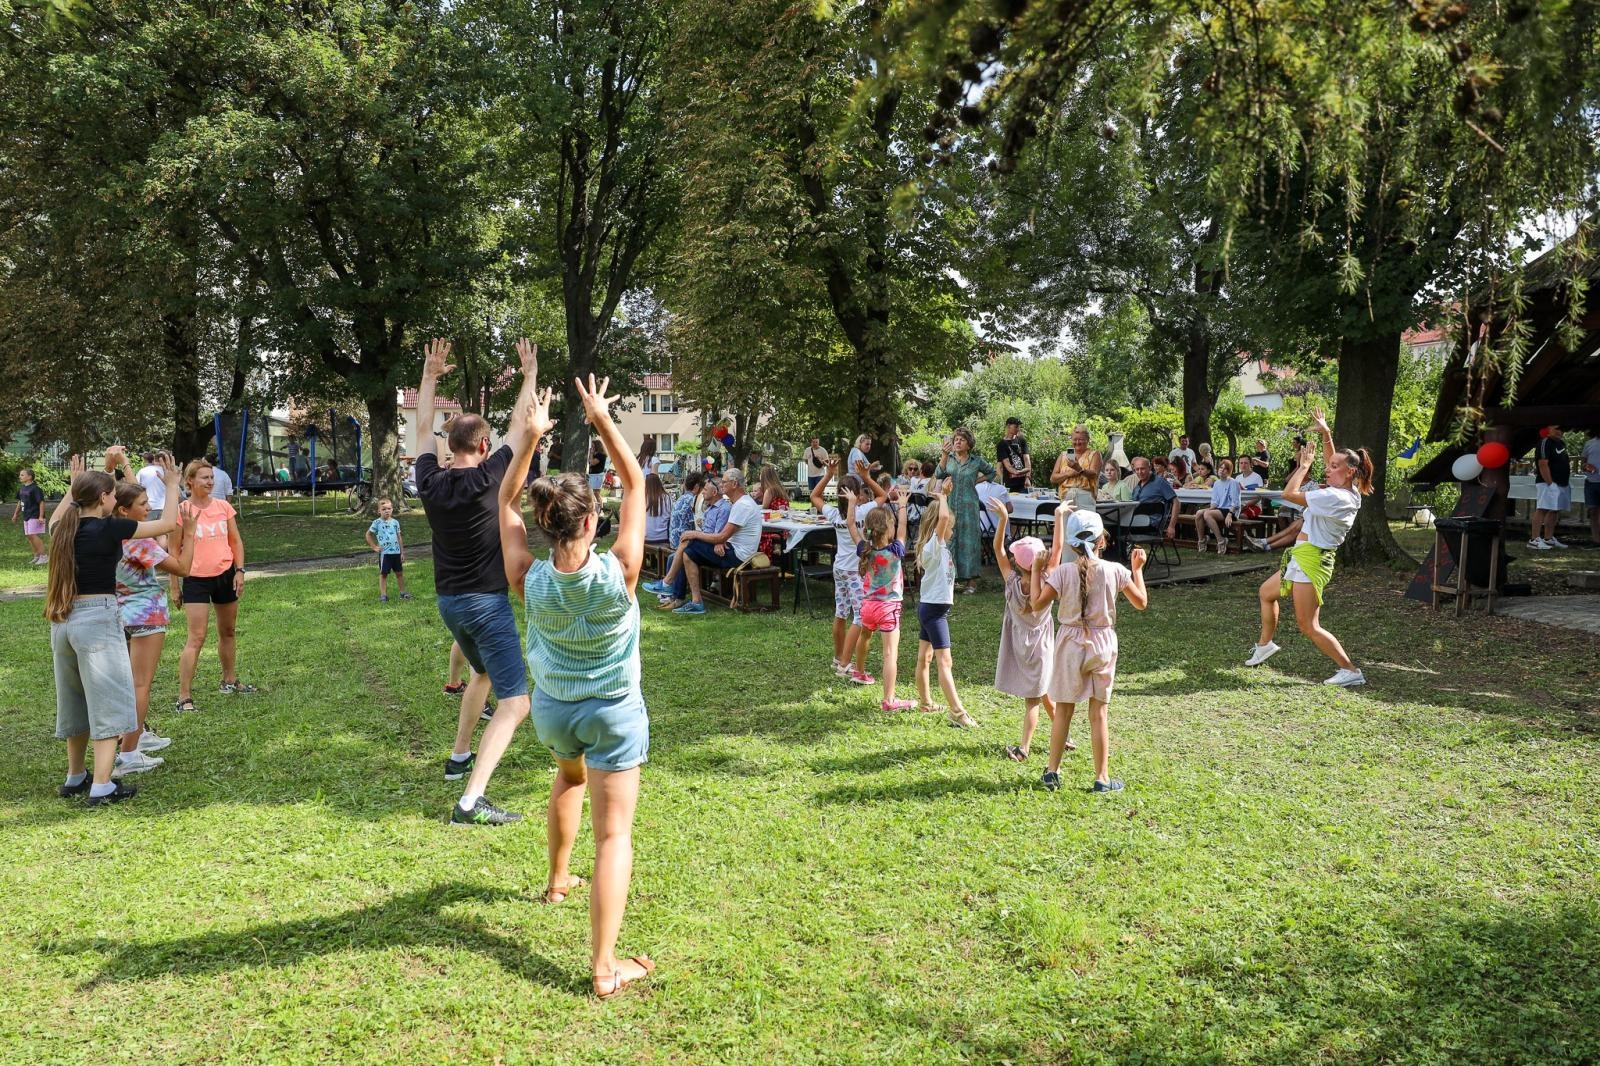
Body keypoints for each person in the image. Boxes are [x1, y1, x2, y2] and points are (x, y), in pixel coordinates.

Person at [487, 371, 655, 997]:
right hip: (613, 712)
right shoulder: (624, 571)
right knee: (615, 836)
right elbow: (635, 481)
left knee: (568, 776)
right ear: (592, 524)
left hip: (556, 711)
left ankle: (558, 881)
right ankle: (605, 970)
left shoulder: (527, 576)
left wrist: (530, 438)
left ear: (549, 524)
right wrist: (602, 419)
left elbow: (504, 503)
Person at [413, 338, 533, 798]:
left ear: (450, 443)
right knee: (517, 702)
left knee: (481, 673)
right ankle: (472, 799)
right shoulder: (490, 476)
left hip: (451, 605)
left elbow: (422, 425)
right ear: (484, 445)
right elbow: (522, 426)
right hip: (486, 604)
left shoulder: (430, 480)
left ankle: (459, 754)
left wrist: (428, 376)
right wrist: (528, 377)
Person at [46, 455, 183, 805]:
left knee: (74, 701)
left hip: (63, 620)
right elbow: (167, 524)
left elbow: (58, 515)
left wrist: (74, 485)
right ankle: (103, 784)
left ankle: (76, 776)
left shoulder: (64, 528)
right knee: (108, 701)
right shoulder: (110, 529)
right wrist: (170, 485)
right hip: (97, 618)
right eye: (110, 494)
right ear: (106, 499)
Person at [1245, 409, 1372, 687]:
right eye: (1329, 464)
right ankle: (1265, 645)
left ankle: (1350, 670)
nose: (1328, 467)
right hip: (1303, 556)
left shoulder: (1334, 497)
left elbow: (1288, 494)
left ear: (1349, 471)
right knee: (1266, 593)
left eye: (1334, 466)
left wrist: (1303, 467)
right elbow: (1335, 460)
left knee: (1308, 625)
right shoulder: (1346, 489)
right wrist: (1326, 433)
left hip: (1312, 560)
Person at [1032, 508, 1148, 793]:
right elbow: (1141, 602)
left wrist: (1036, 570)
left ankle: (1052, 773)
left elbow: (1036, 604)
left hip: (1070, 644)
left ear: (1071, 544)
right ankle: (1101, 778)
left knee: (1064, 712)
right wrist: (1138, 570)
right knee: (1099, 714)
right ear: (1102, 540)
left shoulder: (1061, 573)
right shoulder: (1116, 571)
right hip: (1103, 643)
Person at [111, 472, 197, 775]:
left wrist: (121, 466)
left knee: (127, 683)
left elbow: (152, 528)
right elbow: (183, 568)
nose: (149, 508)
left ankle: (138, 735)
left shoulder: (106, 533)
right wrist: (191, 531)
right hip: (146, 616)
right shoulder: (139, 544)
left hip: (119, 614)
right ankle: (129, 754)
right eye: (143, 504)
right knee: (140, 685)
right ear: (124, 510)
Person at [169, 458, 255, 713]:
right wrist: (175, 586)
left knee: (228, 631)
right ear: (190, 481)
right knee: (196, 637)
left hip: (225, 575)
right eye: (204, 478)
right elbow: (173, 550)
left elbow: (236, 542)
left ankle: (229, 681)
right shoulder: (182, 511)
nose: (210, 482)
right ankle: (184, 696)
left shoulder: (222, 507)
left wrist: (239, 571)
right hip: (195, 578)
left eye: (211, 477)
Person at [988, 500, 1060, 762]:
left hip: (1020, 647)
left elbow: (997, 549)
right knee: (1039, 694)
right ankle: (1057, 737)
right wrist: (1059, 516)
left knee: (1038, 696)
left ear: (1017, 564)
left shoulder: (1012, 582)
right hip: (1041, 648)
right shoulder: (1049, 580)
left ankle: (1024, 749)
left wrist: (1004, 519)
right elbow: (1059, 548)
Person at [810, 459, 889, 681]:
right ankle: (845, 663)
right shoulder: (862, 511)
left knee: (840, 612)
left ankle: (838, 657)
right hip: (856, 570)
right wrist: (866, 476)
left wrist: (828, 474)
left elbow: (815, 496)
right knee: (859, 617)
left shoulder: (834, 515)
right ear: (856, 494)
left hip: (839, 568)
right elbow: (883, 496)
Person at [843, 484, 915, 712]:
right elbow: (903, 526)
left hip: (867, 607)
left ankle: (860, 672)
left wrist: (852, 504)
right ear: (888, 529)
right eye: (892, 525)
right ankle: (890, 701)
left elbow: (850, 526)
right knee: (889, 654)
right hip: (888, 608)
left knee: (865, 637)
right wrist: (902, 505)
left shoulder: (864, 548)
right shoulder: (896, 550)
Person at [913, 487, 976, 727]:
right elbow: (943, 517)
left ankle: (926, 702)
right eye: (950, 526)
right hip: (934, 612)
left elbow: (944, 519)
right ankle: (958, 712)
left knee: (925, 658)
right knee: (944, 662)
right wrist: (943, 496)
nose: (952, 529)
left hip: (931, 608)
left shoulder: (937, 547)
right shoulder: (934, 545)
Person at [670, 468, 762, 615]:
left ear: (734, 484)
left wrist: (695, 534)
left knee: (689, 542)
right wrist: (720, 541)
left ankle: (669, 584)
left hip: (739, 556)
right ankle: (696, 601)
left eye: (724, 482)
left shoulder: (743, 505)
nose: (721, 485)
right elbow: (724, 534)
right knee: (688, 552)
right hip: (732, 549)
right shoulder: (739, 503)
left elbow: (721, 536)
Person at [933, 427, 997, 594]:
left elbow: (992, 472)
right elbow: (938, 473)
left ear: (969, 444)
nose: (957, 442)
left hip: (969, 506)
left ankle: (971, 582)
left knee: (969, 542)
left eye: (961, 440)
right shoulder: (950, 458)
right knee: (950, 540)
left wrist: (977, 480)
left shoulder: (976, 461)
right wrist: (944, 455)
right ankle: (952, 579)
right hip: (951, 504)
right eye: (956, 440)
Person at [648, 477, 727, 610]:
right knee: (677, 555)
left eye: (706, 490)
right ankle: (671, 594)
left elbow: (717, 536)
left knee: (685, 550)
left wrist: (697, 534)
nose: (702, 492)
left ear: (714, 493)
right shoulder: (709, 507)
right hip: (702, 543)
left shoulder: (723, 509)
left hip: (712, 546)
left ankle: (672, 590)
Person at [1530, 425, 1570, 550]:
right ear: (1548, 429)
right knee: (1542, 508)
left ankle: (1548, 538)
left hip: (1561, 482)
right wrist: (1550, 483)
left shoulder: (1561, 443)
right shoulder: (1545, 442)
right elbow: (1542, 463)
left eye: (1561, 429)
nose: (1560, 431)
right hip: (1547, 482)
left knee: (1554, 509)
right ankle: (1534, 540)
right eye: (1557, 428)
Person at [366, 498, 410, 602]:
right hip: (385, 554)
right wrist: (374, 546)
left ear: (392, 509)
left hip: (396, 553)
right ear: (379, 511)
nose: (387, 511)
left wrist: (402, 552)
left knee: (399, 573)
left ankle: (403, 593)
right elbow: (368, 534)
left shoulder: (395, 522)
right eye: (384, 509)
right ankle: (383, 595)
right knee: (384, 574)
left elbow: (399, 537)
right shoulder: (376, 523)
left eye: (389, 508)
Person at [1128, 456, 1180, 544]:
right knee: (1112, 525)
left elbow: (1176, 502)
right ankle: (1120, 555)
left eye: (1142, 469)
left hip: (1152, 525)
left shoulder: (1160, 482)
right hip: (1136, 522)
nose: (1140, 472)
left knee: (1116, 528)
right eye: (1137, 469)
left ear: (1149, 468)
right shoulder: (1137, 486)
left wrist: (1171, 526)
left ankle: (1120, 555)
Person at [1050, 424, 1102, 510]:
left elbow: (1094, 474)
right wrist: (1068, 474)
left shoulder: (1095, 454)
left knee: (1085, 523)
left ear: (1088, 440)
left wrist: (1079, 469)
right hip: (1066, 497)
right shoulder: (1064, 455)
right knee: (1066, 523)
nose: (1077, 442)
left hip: (1085, 497)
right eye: (1075, 439)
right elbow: (1053, 478)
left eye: (1081, 439)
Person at [1194, 459, 1240, 554]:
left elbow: (1235, 502)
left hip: (1230, 510)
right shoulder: (1217, 483)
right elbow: (1215, 503)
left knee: (1207, 514)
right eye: (1220, 468)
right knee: (1199, 513)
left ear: (1229, 471)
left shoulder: (1233, 482)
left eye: (1225, 469)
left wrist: (1230, 514)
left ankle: (1221, 540)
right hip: (1219, 509)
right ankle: (1202, 540)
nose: (1222, 470)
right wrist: (1207, 509)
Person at [12, 465, 47, 564]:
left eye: (22, 475)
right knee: (29, 536)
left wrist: (41, 516)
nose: (20, 477)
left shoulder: (35, 489)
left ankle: (44, 556)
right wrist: (15, 514)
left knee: (32, 535)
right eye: (20, 475)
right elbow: (20, 502)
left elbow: (41, 502)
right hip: (26, 516)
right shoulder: (22, 488)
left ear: (29, 477)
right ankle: (37, 555)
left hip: (35, 515)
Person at [997, 417, 1031, 492]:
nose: (1018, 429)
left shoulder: (1022, 440)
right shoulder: (1001, 444)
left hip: (1023, 482)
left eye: (1018, 426)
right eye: (1015, 426)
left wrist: (1028, 477)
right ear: (1008, 426)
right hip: (1010, 483)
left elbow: (1027, 460)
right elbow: (1006, 464)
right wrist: (1016, 472)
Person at [135, 451, 169, 519]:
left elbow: (135, 486)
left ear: (154, 460)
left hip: (149, 507)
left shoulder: (143, 471)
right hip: (166, 507)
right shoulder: (169, 473)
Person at [1583, 432, 1600, 546]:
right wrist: (1586, 466)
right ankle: (1596, 540)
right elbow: (1583, 463)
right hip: (1590, 482)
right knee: (1593, 511)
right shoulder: (1589, 443)